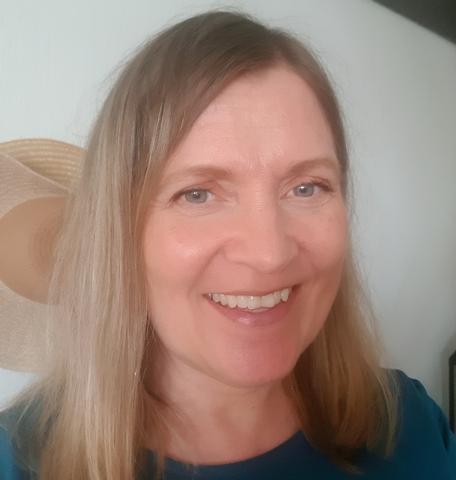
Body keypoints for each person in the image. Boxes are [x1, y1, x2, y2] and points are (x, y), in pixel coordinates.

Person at [0, 9, 455, 480]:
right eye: (197, 194)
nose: (268, 254)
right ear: (120, 236)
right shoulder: (17, 461)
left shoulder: (410, 423)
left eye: (306, 187)